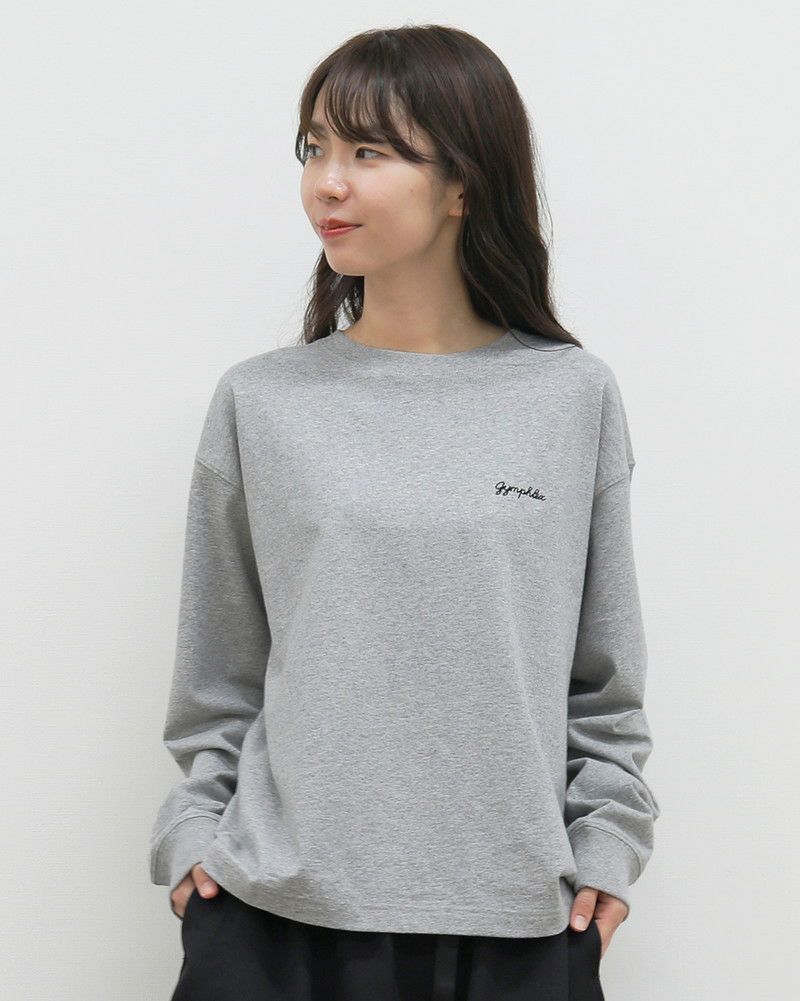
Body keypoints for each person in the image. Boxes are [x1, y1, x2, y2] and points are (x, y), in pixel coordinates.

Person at [148, 23, 660, 1001]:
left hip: (517, 919)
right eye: (314, 149)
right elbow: (218, 670)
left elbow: (603, 674)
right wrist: (192, 836)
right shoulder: (263, 400)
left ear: (463, 183)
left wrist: (606, 841)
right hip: (272, 918)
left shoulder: (571, 396)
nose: (326, 183)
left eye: (367, 152)